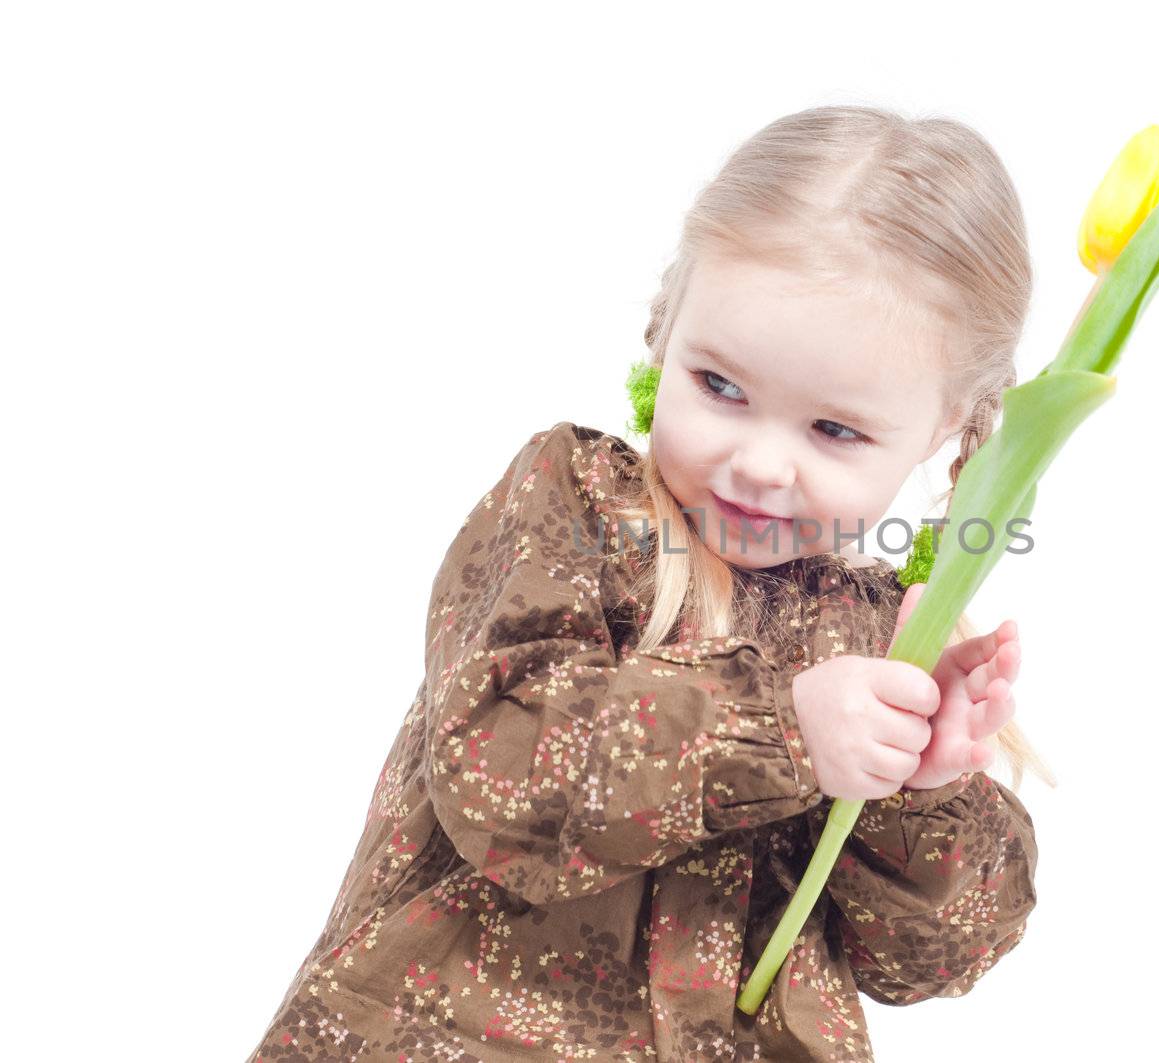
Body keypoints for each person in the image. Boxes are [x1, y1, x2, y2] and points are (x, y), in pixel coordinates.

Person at [250, 104, 1054, 1062]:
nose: (759, 463)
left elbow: (931, 959)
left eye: (833, 431)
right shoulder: (581, 512)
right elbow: (498, 768)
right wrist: (786, 730)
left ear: (947, 432)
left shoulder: (890, 640)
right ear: (667, 327)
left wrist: (912, 786)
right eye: (721, 386)